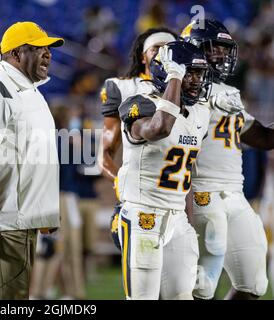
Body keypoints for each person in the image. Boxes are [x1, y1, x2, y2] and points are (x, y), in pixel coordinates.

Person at [0, 21, 63, 300]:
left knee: (2, 295)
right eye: (38, 49)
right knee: (9, 299)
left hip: (25, 217)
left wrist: (45, 209)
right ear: (16, 54)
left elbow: (33, 154)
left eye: (48, 49)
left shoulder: (30, 90)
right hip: (7, 220)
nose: (48, 54)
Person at [181, 19, 274, 300]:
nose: (221, 55)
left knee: (253, 281)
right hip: (200, 191)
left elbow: (257, 136)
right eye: (214, 49)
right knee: (201, 284)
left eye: (224, 49)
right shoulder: (183, 93)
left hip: (235, 192)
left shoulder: (228, 93)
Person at [115, 41, 212, 300]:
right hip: (143, 215)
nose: (195, 80)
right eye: (188, 72)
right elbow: (160, 128)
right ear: (166, 72)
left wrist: (189, 225)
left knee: (182, 296)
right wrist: (175, 77)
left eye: (199, 74)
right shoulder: (139, 104)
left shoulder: (200, 114)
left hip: (177, 217)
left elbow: (186, 173)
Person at [100, 27, 176, 198]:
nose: (162, 54)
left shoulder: (187, 90)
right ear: (142, 56)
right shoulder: (123, 87)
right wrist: (122, 186)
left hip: (175, 193)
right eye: (156, 48)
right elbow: (104, 155)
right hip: (137, 195)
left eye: (169, 48)